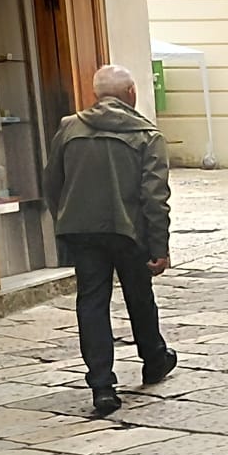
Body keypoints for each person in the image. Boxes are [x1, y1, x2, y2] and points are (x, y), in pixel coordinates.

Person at [44, 65, 176, 417]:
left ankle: (102, 384)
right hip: (129, 230)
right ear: (131, 92)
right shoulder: (147, 135)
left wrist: (67, 217)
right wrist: (159, 247)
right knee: (139, 296)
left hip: (83, 230)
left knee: (91, 302)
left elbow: (53, 183)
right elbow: (154, 197)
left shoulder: (68, 127)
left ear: (96, 94)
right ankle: (154, 359)